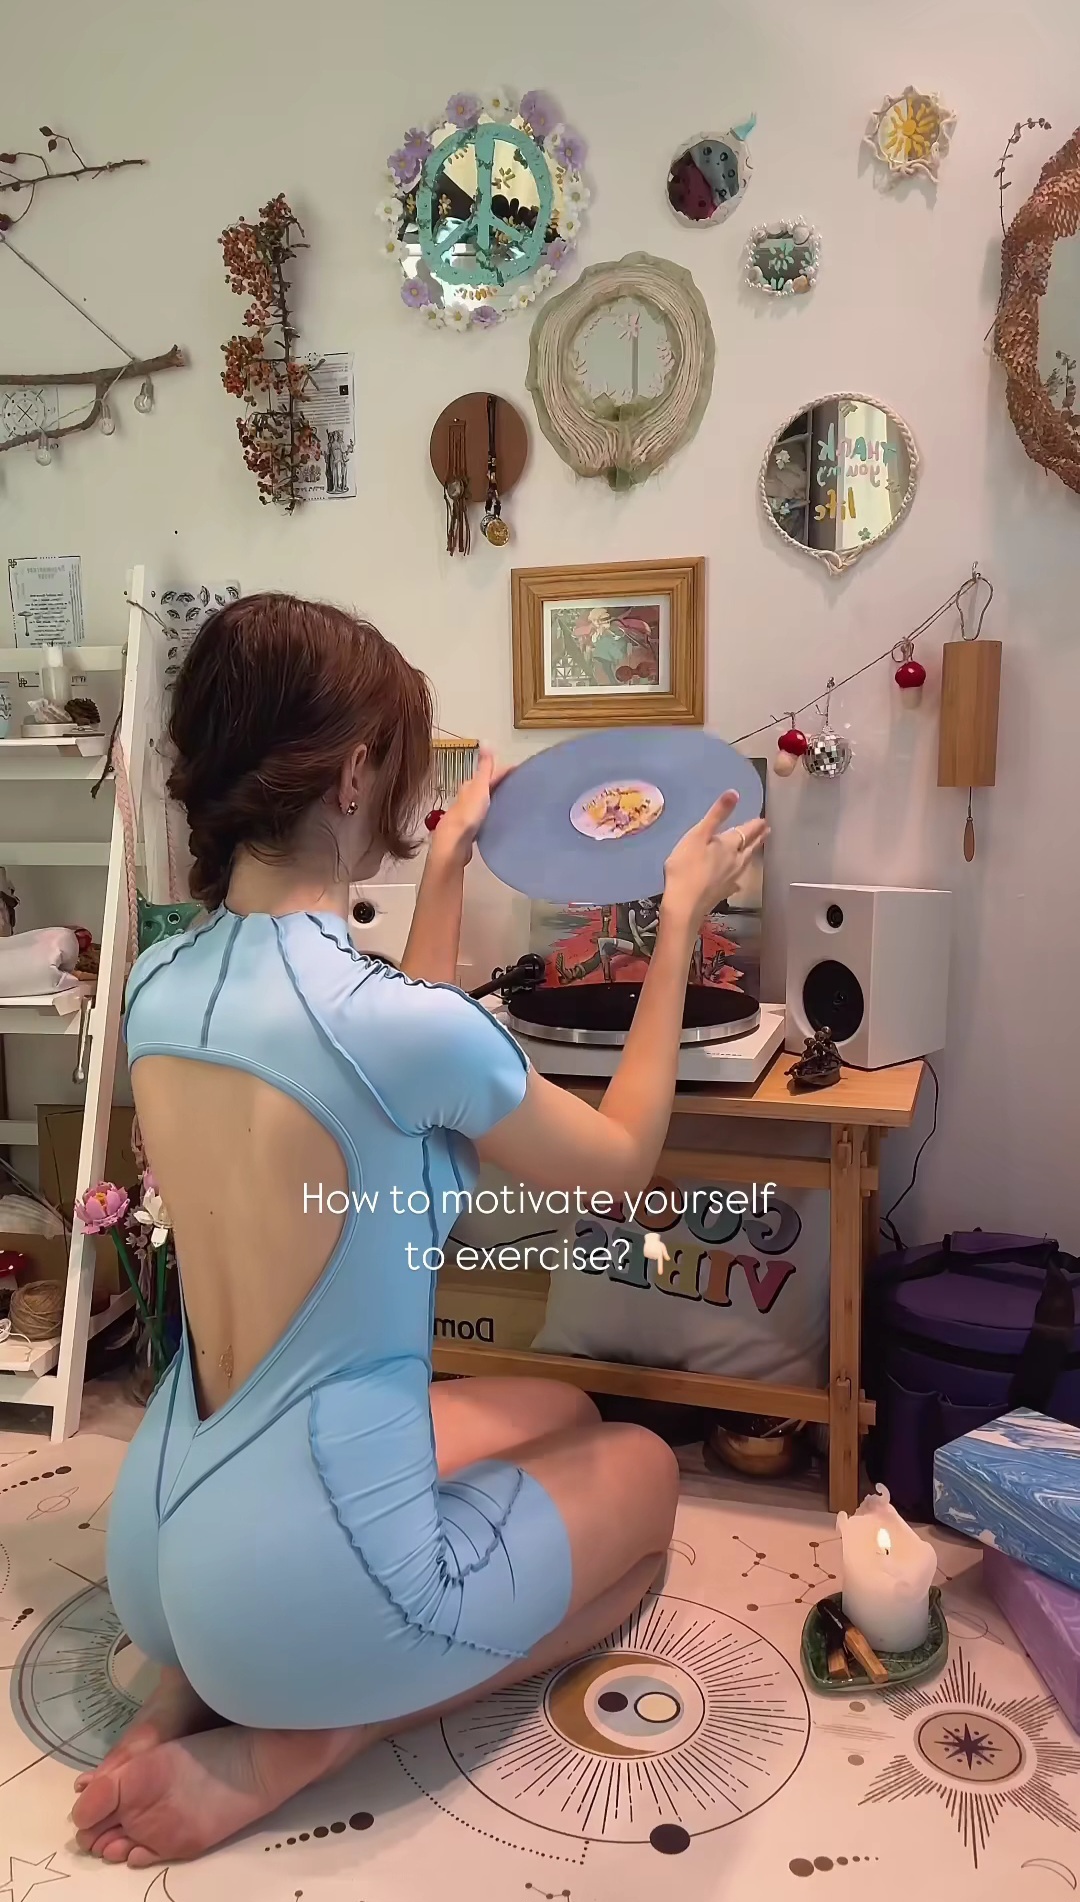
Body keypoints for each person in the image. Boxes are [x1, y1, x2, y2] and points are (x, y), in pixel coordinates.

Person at [71, 594, 767, 1868]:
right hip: (312, 1587)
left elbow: (384, 1058)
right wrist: (678, 928)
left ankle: (191, 1684)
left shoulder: (160, 983)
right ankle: (300, 1739)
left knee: (558, 1411)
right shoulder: (394, 1026)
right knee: (644, 1473)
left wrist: (446, 867)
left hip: (159, 1538)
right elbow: (618, 1163)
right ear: (353, 776)